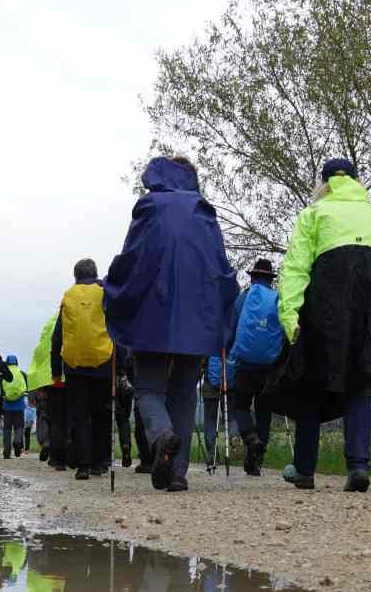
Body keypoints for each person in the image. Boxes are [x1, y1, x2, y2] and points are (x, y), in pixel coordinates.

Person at [104, 155, 238, 493]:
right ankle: (177, 473)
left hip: (153, 311)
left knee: (149, 388)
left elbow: (131, 259)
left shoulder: (149, 207)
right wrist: (223, 303)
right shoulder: (203, 211)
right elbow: (220, 265)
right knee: (184, 391)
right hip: (197, 314)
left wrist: (113, 288)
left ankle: (162, 435)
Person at [267, 159, 371, 493]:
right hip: (368, 307)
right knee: (359, 380)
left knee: (310, 379)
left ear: (323, 183)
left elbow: (296, 267)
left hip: (324, 305)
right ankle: (358, 466)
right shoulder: (370, 216)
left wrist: (290, 315)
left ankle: (305, 469)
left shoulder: (314, 213)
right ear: (355, 181)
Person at [51, 258, 116, 479]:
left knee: (80, 415)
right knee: (101, 414)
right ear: (95, 273)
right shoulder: (105, 293)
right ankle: (101, 462)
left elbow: (57, 335)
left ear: (76, 276)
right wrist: (121, 366)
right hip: (103, 362)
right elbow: (116, 329)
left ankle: (83, 465)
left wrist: (55, 370)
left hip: (74, 364)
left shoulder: (69, 296)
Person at [224, 257, 283, 475]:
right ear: (270, 279)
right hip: (269, 366)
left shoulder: (243, 298)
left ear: (253, 277)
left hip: (245, 364)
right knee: (264, 411)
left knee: (241, 406)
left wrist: (228, 350)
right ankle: (256, 462)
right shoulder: (278, 300)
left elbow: (231, 329)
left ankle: (251, 439)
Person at [27, 311, 62, 464]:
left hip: (46, 383)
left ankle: (47, 443)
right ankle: (62, 454)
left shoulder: (44, 341)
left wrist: (33, 394)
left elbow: (34, 368)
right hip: (67, 379)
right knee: (63, 418)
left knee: (45, 417)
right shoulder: (71, 331)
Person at [1, 353, 31, 457]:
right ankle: (18, 444)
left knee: (7, 429)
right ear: (16, 362)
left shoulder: (4, 374)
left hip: (7, 406)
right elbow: (27, 389)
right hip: (19, 405)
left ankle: (7, 452)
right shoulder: (22, 374)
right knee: (19, 427)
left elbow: (1, 389)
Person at [200, 355, 223, 472]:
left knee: (210, 422)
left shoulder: (209, 345)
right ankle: (234, 437)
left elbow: (200, 365)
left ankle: (212, 456)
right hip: (229, 385)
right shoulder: (231, 343)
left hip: (210, 388)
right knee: (233, 416)